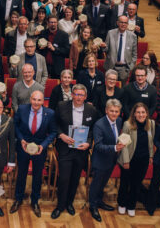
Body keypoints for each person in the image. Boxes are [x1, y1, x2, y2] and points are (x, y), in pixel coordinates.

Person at [51, 84, 98, 219]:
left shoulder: (91, 110)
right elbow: (55, 124)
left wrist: (88, 142)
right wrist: (61, 135)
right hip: (65, 148)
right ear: (72, 95)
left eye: (81, 95)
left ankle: (69, 203)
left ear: (85, 97)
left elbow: (93, 129)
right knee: (64, 178)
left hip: (81, 150)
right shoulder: (61, 106)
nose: (78, 97)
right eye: (76, 94)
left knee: (75, 178)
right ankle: (60, 206)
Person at [9, 91, 56, 216]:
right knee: (21, 174)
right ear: (30, 99)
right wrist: (21, 139)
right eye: (34, 99)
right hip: (23, 148)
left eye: (39, 100)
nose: (36, 102)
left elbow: (53, 132)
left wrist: (43, 145)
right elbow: (15, 126)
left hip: (40, 150)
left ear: (43, 101)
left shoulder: (50, 113)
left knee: (37, 176)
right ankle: (18, 199)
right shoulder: (22, 109)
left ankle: (35, 201)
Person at [117, 102, 155, 217]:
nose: (141, 114)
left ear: (147, 113)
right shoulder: (127, 125)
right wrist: (126, 161)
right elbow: (123, 144)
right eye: (138, 112)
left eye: (143, 112)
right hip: (129, 158)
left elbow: (151, 141)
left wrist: (151, 156)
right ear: (134, 114)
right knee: (125, 183)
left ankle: (131, 205)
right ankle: (122, 203)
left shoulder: (151, 123)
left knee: (136, 184)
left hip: (143, 159)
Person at [103, 15, 137, 84]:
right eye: (121, 22)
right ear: (117, 23)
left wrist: (130, 68)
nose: (123, 24)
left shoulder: (133, 36)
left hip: (124, 69)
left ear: (127, 24)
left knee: (122, 91)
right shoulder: (110, 33)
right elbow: (106, 49)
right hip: (111, 67)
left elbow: (134, 54)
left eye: (125, 23)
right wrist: (103, 47)